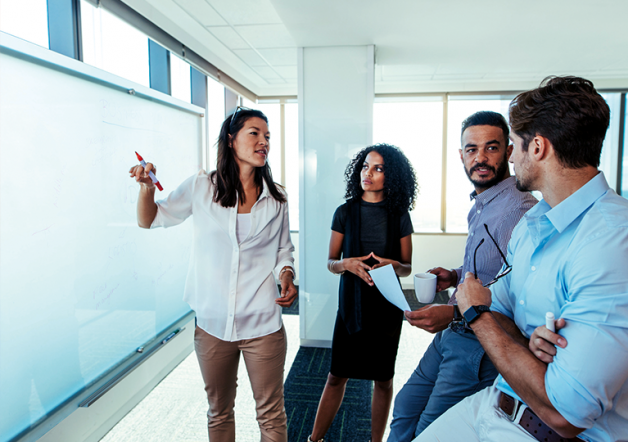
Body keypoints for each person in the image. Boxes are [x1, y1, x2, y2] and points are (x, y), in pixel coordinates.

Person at [415, 76, 628, 442]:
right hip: (495, 404)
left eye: (515, 146)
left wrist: (476, 314)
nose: (512, 158)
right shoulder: (534, 223)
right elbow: (499, 306)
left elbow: (566, 412)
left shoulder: (622, 244)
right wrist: (525, 341)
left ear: (537, 147)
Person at [129, 107, 297, 442]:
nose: (264, 141)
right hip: (213, 324)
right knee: (219, 412)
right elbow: (150, 219)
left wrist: (287, 275)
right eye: (254, 133)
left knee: (271, 415)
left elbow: (283, 250)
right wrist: (147, 187)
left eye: (267, 136)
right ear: (231, 140)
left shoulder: (277, 198)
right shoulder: (201, 187)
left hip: (262, 323)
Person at [387, 111, 537, 441]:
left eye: (491, 148)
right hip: (453, 333)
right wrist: (455, 276)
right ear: (461, 155)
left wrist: (453, 312)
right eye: (472, 149)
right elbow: (491, 269)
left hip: (478, 342)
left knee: (431, 432)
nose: (480, 158)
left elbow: (514, 292)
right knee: (406, 406)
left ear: (509, 151)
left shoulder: (519, 210)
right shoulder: (483, 204)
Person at [308, 144, 418, 442]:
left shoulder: (399, 215)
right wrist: (346, 264)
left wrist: (392, 265)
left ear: (391, 176)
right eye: (365, 166)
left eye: (378, 168)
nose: (367, 173)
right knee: (336, 376)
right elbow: (331, 262)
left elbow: (406, 267)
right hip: (351, 307)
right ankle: (314, 439)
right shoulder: (344, 212)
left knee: (383, 380)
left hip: (386, 309)